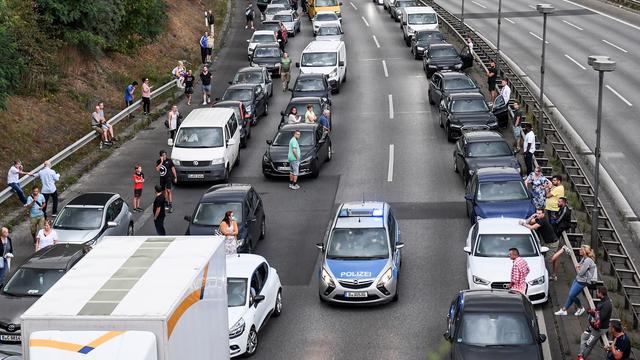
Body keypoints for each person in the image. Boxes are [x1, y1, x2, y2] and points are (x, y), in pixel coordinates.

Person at [554, 245, 596, 316]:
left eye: (581, 250)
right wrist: (578, 267)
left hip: (583, 281)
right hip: (578, 279)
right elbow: (579, 266)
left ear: (584, 252)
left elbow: (580, 273)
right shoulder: (584, 258)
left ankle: (580, 307)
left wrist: (577, 268)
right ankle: (564, 310)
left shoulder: (588, 261)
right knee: (571, 295)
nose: (579, 250)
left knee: (571, 295)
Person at [577, 286, 612, 359]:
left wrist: (592, 315)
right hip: (594, 326)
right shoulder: (602, 300)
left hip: (599, 329)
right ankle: (580, 355)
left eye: (597, 292)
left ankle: (581, 357)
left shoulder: (607, 305)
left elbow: (600, 317)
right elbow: (597, 313)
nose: (596, 293)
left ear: (600, 293)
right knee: (583, 336)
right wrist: (592, 312)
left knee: (588, 344)